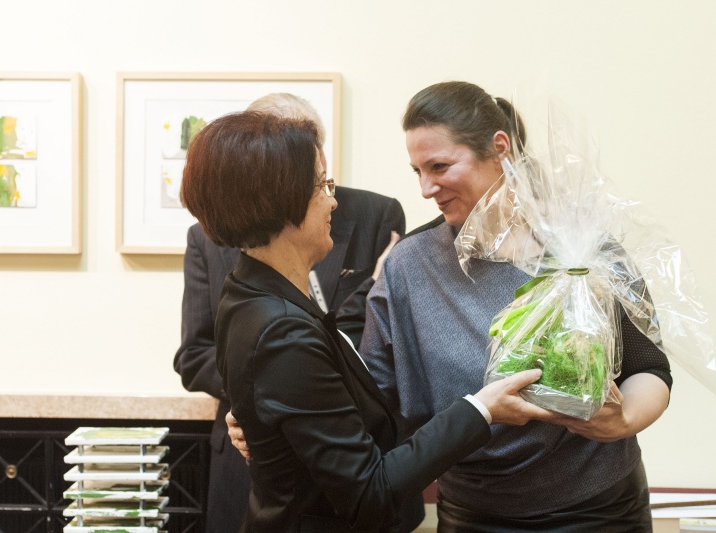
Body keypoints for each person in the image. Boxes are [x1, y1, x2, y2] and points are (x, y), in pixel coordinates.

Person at [180, 109, 552, 533]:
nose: (333, 201)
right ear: (280, 201)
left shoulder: (247, 291)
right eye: (321, 186)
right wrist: (481, 409)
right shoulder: (281, 330)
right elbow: (367, 494)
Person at [355, 81, 673, 532]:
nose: (426, 188)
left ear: (500, 149)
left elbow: (650, 367)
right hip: (473, 514)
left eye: (440, 166)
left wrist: (621, 421)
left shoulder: (581, 250)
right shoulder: (408, 267)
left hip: (599, 509)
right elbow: (373, 401)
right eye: (417, 171)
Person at [173, 94, 409, 532]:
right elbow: (196, 354)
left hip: (357, 463)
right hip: (254, 465)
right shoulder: (212, 244)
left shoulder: (376, 215)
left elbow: (369, 339)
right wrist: (264, 403)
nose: (328, 196)